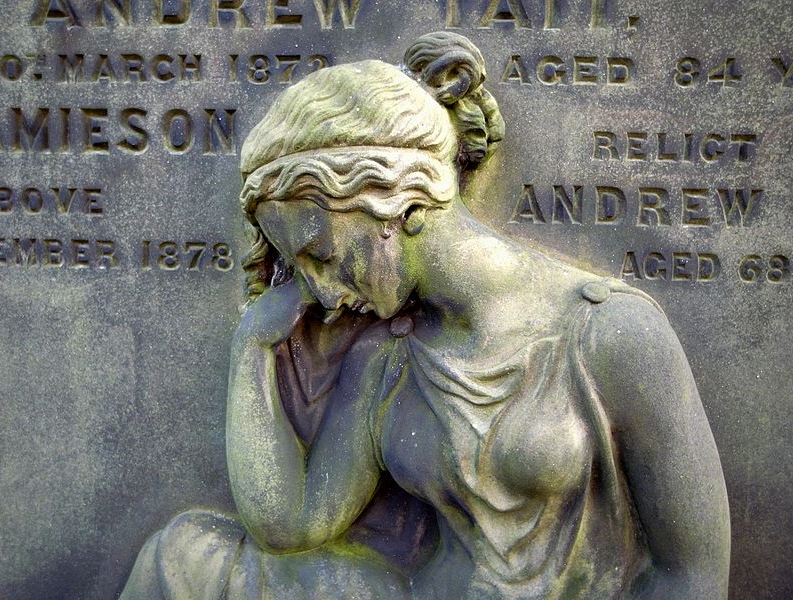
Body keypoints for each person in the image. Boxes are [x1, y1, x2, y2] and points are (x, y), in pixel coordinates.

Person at [121, 32, 730, 599]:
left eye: (320, 255)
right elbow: (293, 522)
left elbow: (693, 575)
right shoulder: (389, 352)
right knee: (179, 559)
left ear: (389, 199)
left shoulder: (608, 334)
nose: (322, 295)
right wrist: (252, 348)